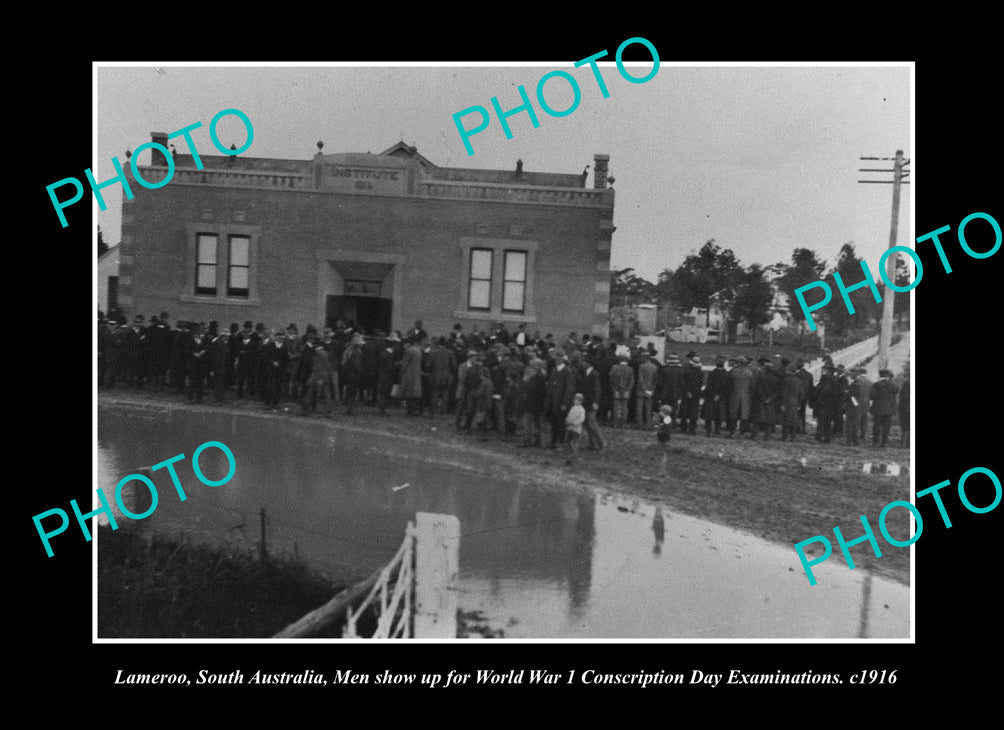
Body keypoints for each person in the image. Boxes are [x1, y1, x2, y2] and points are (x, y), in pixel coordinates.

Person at [870, 369, 898, 447]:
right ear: (888, 376)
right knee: (886, 426)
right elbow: (895, 394)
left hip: (878, 408)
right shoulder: (894, 385)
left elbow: (872, 396)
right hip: (889, 409)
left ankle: (875, 442)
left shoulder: (876, 384)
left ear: (880, 375)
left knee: (876, 426)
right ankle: (884, 443)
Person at [564, 393, 586, 464]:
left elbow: (581, 419)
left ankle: (573, 456)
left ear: (580, 401)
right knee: (568, 441)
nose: (575, 401)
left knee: (573, 442)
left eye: (576, 400)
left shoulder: (582, 409)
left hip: (576, 428)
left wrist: (574, 423)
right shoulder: (573, 408)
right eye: (575, 399)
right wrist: (567, 420)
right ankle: (572, 455)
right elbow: (569, 415)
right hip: (570, 427)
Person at [656, 404, 673, 474]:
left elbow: (658, 427)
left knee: (662, 454)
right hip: (667, 437)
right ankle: (663, 470)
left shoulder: (664, 420)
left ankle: (662, 470)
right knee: (664, 454)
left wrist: (657, 422)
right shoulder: (669, 419)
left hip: (662, 437)